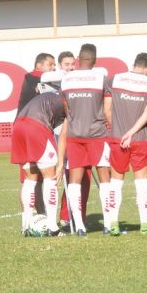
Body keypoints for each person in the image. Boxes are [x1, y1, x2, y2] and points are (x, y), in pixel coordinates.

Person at [59, 44, 111, 236]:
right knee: (105, 178)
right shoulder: (102, 79)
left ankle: (79, 225)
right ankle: (108, 223)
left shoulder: (66, 79)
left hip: (75, 135)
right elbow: (107, 110)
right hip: (98, 134)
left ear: (78, 59)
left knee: (75, 179)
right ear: (95, 60)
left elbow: (67, 110)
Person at [104, 53, 147, 235]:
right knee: (142, 181)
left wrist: (118, 130)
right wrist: (131, 132)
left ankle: (113, 224)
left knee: (116, 181)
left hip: (117, 137)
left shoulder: (114, 79)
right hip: (140, 137)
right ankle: (144, 224)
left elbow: (107, 110)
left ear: (133, 64)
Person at [11, 87, 66, 236]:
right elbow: (63, 136)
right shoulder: (69, 100)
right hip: (36, 126)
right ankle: (53, 228)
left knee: (30, 178)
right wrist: (60, 162)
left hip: (18, 126)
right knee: (50, 177)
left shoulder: (51, 96)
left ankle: (26, 226)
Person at [15, 52, 56, 216]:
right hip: (28, 131)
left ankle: (40, 216)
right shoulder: (33, 77)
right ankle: (30, 216)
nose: (53, 68)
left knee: (36, 177)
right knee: (29, 178)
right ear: (39, 65)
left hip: (33, 130)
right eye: (50, 64)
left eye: (54, 65)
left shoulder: (43, 81)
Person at [56, 51, 92, 230]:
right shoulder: (56, 81)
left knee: (81, 177)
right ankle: (63, 217)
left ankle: (76, 216)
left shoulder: (77, 81)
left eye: (72, 64)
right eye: (66, 64)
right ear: (59, 66)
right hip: (62, 135)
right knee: (67, 177)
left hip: (76, 133)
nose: (70, 68)